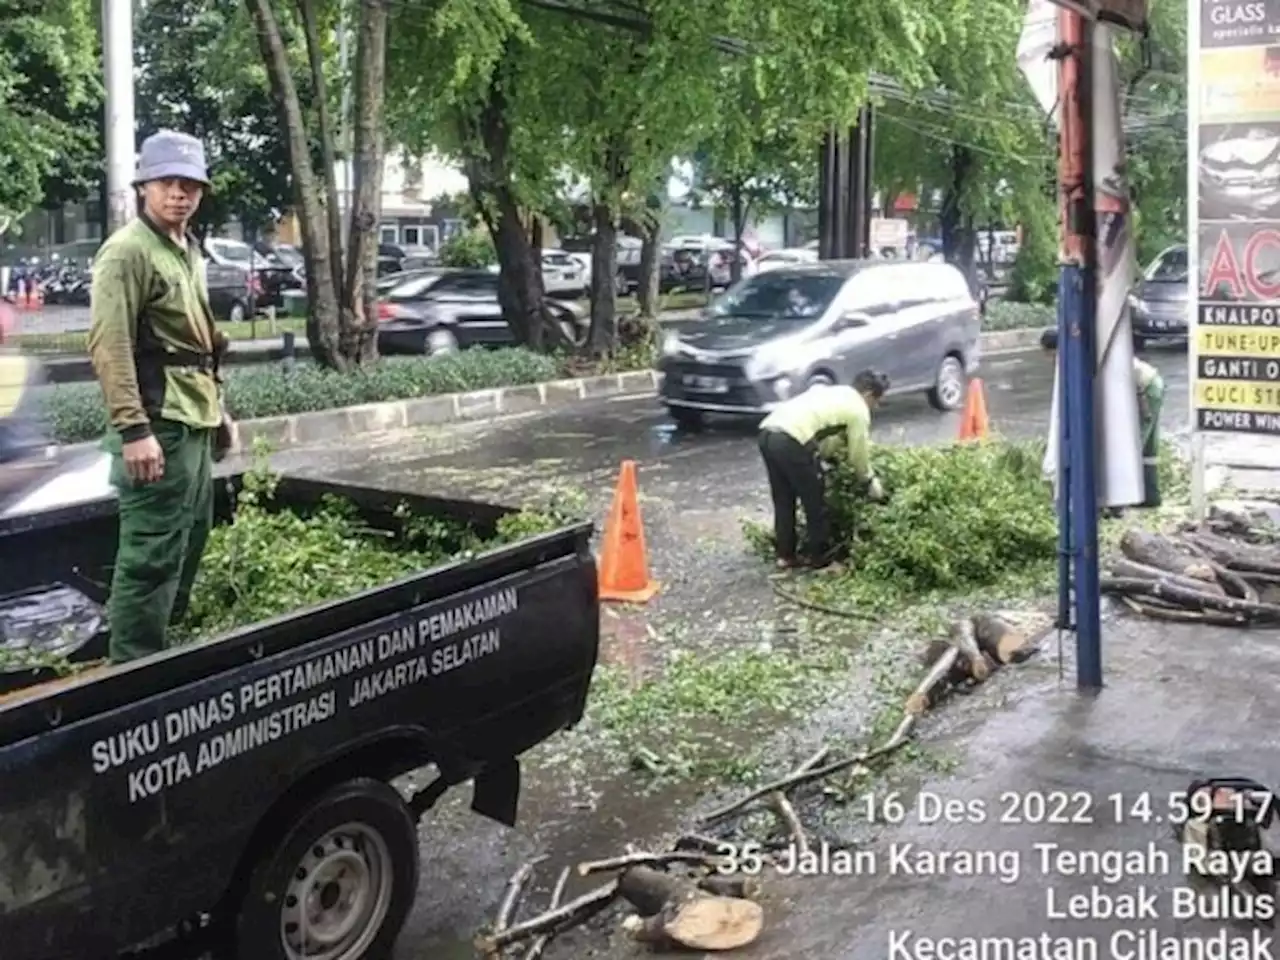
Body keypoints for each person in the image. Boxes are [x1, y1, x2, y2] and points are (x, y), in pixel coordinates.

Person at [87, 129, 236, 664]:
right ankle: (134, 672)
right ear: (144, 186)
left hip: (191, 416)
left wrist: (220, 411)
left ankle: (161, 650)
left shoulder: (184, 247)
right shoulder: (127, 252)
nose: (181, 193)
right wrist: (134, 430)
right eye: (168, 182)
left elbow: (196, 342)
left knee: (190, 536)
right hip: (157, 424)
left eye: (191, 184)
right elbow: (111, 346)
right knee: (152, 554)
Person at [757, 370, 890, 570]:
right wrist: (869, 481)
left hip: (768, 432)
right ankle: (820, 558)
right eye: (877, 401)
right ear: (869, 394)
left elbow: (827, 438)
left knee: (783, 498)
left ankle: (786, 556)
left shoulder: (837, 393)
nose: (876, 407)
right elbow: (858, 455)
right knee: (815, 501)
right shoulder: (859, 410)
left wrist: (828, 459)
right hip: (792, 440)